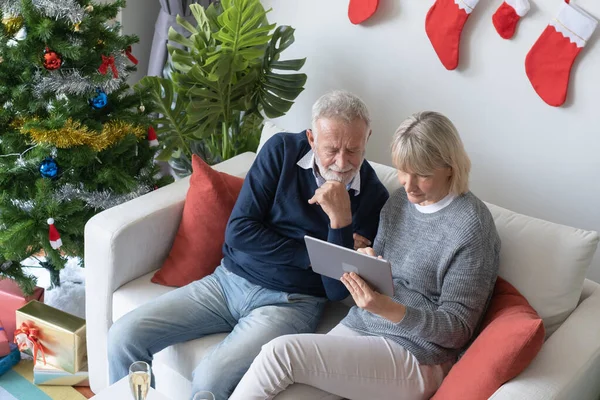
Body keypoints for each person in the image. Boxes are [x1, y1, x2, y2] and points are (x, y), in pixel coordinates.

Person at [106, 90, 389, 399]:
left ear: (367, 138)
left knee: (211, 379)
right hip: (228, 281)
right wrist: (321, 252)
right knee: (124, 336)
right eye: (331, 149)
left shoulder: (374, 197)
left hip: (292, 304)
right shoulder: (281, 151)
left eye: (353, 150)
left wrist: (340, 220)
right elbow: (240, 232)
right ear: (311, 138)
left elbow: (334, 291)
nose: (342, 162)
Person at [231, 111, 501, 400]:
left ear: (450, 167)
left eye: (421, 175)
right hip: (363, 325)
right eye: (402, 170)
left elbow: (457, 329)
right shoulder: (398, 202)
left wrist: (386, 308)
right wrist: (366, 260)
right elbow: (384, 275)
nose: (408, 186)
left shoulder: (472, 227)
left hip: (417, 353)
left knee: (279, 354)